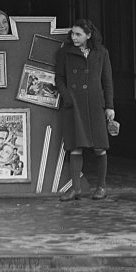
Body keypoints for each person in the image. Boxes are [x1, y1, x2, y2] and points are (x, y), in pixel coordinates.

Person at [55, 18, 115, 201]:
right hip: (75, 105)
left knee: (100, 147)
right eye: (72, 33)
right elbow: (59, 78)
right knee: (75, 146)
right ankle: (76, 189)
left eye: (78, 34)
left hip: (95, 104)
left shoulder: (101, 53)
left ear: (88, 35)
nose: (74, 37)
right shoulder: (64, 52)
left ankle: (101, 187)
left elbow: (107, 81)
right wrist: (68, 97)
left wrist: (110, 106)